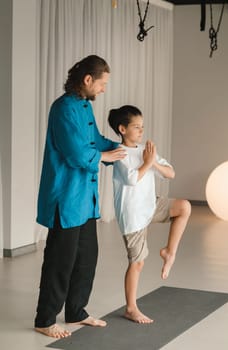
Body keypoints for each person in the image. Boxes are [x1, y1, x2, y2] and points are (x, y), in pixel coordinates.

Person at [34, 55, 126, 339]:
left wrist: (123, 148)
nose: (103, 89)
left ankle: (76, 311)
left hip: (86, 200)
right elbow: (76, 153)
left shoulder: (84, 107)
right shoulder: (62, 109)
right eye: (102, 83)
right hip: (66, 198)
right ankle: (45, 319)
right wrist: (105, 156)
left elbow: (94, 141)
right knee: (60, 261)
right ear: (88, 79)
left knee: (87, 258)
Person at [108, 105, 191, 324]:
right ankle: (131, 308)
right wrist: (147, 163)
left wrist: (152, 161)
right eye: (136, 127)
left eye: (142, 126)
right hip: (132, 214)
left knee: (184, 207)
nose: (141, 131)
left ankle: (168, 252)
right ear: (122, 129)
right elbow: (132, 179)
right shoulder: (119, 153)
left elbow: (171, 173)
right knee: (137, 262)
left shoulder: (147, 149)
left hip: (150, 205)